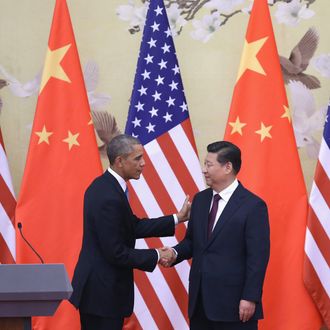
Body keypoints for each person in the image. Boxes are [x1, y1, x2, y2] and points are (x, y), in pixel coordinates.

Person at [70, 134, 190, 330]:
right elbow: (115, 252)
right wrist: (157, 254)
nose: (143, 164)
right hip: (102, 294)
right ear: (120, 161)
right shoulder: (107, 195)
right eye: (137, 158)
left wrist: (177, 218)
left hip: (103, 292)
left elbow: (133, 226)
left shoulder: (108, 187)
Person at [161, 141, 270, 330]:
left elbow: (258, 258)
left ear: (228, 167)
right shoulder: (201, 200)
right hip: (200, 303)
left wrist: (250, 297)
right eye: (205, 164)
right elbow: (192, 242)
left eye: (209, 165)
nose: (204, 170)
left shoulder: (253, 206)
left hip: (235, 305)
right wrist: (174, 253)